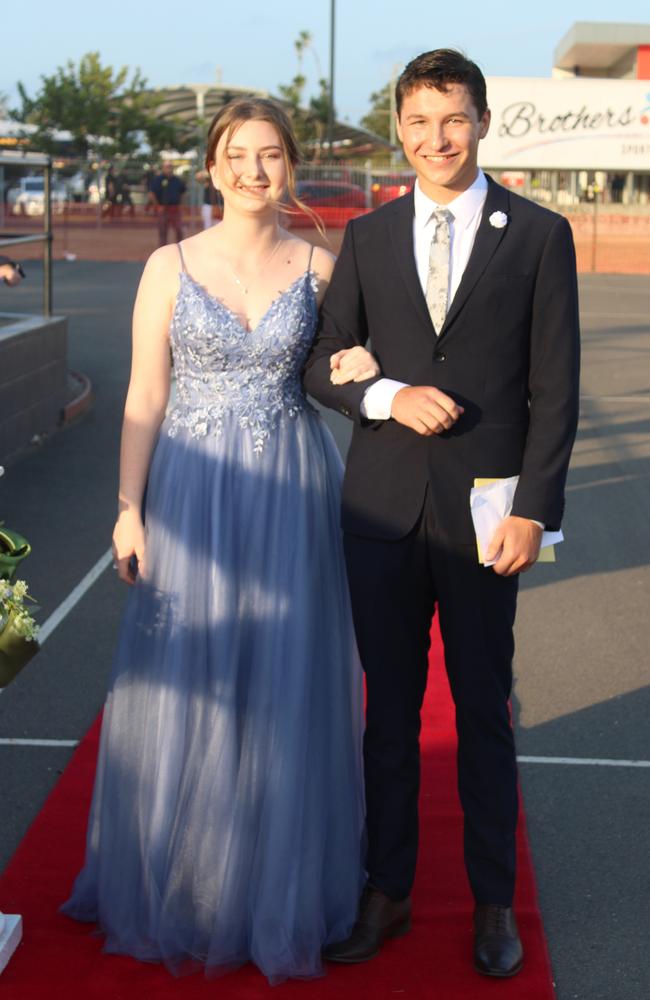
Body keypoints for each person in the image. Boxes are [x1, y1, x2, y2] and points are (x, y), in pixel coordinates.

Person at [61, 97, 379, 984]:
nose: (253, 170)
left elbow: (353, 362)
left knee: (285, 679)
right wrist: (129, 506)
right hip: (193, 490)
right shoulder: (169, 265)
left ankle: (279, 882)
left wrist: (363, 365)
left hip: (291, 490)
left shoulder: (324, 266)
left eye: (270, 155)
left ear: (291, 167)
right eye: (237, 155)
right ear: (211, 167)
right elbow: (144, 396)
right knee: (193, 681)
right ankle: (190, 885)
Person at [304, 48, 580, 978]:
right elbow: (322, 361)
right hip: (380, 512)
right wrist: (385, 394)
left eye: (452, 118)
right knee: (387, 714)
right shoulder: (370, 236)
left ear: (484, 121)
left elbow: (557, 390)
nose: (436, 139)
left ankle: (494, 901)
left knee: (482, 712)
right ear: (399, 127)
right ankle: (389, 891)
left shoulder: (539, 235)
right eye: (418, 122)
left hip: (485, 520)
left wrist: (535, 514)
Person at [151, 161, 186, 246]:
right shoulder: (158, 180)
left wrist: (180, 204)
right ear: (163, 168)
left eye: (170, 166)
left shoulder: (177, 180)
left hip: (175, 209)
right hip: (163, 209)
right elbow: (151, 194)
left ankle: (179, 247)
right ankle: (163, 248)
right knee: (163, 231)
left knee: (179, 230)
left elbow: (183, 192)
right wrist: (158, 206)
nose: (168, 169)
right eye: (166, 167)